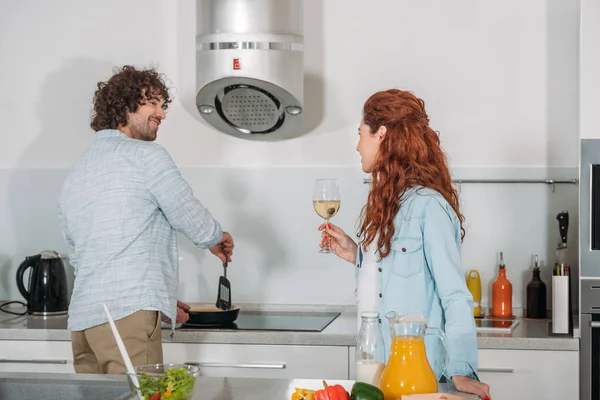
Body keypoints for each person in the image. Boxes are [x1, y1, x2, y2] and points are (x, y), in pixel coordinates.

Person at [57, 65, 234, 374]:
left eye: (162, 105)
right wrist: (217, 238)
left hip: (83, 323)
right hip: (126, 320)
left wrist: (158, 295)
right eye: (151, 103)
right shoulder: (147, 157)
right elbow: (187, 213)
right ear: (124, 106)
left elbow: (80, 251)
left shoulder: (79, 168)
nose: (161, 114)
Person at [319, 89, 491, 400]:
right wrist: (357, 255)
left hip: (418, 380)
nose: (358, 146)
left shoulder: (429, 207)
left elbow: (454, 295)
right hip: (379, 372)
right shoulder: (387, 205)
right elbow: (393, 280)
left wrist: (462, 370)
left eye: (361, 134)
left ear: (381, 134)